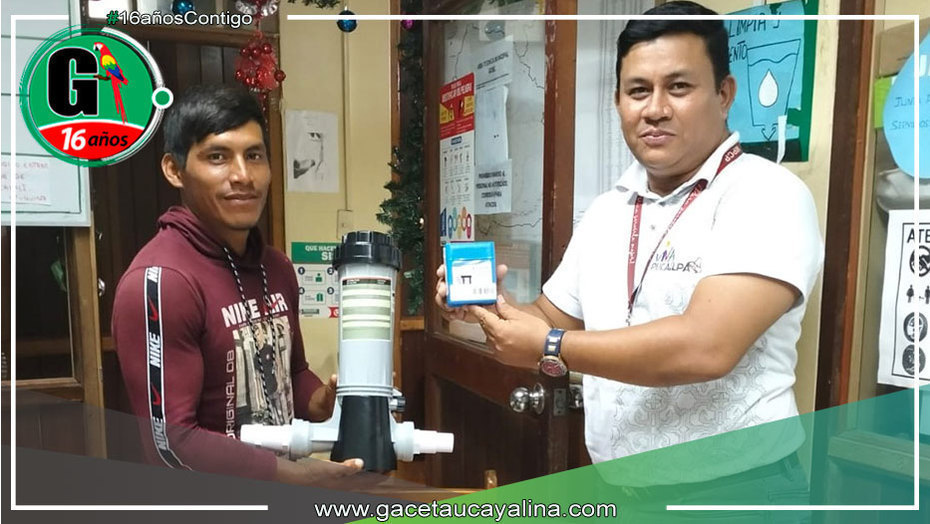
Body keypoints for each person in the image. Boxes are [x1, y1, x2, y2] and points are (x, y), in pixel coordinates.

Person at [436, 0, 823, 503]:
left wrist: (549, 347)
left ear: (724, 93)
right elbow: (551, 317)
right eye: (638, 90)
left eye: (678, 87)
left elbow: (706, 346)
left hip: (736, 494)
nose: (655, 108)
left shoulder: (766, 194)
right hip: (622, 490)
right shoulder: (608, 210)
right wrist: (491, 309)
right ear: (618, 101)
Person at [112, 84, 361, 484]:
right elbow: (171, 443)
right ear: (174, 170)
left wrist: (327, 401)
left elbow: (293, 374)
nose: (243, 175)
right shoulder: (161, 282)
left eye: (254, 156)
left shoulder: (276, 267)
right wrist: (296, 477)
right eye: (217, 157)